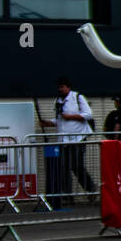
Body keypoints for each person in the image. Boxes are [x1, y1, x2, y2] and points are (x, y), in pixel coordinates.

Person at [38, 75, 95, 204]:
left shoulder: (77, 97)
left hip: (78, 138)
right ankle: (67, 195)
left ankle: (91, 189)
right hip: (64, 139)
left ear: (68, 87)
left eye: (62, 87)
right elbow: (60, 120)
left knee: (76, 165)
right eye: (59, 87)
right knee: (63, 166)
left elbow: (88, 114)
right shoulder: (58, 101)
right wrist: (48, 123)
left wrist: (71, 117)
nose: (60, 89)